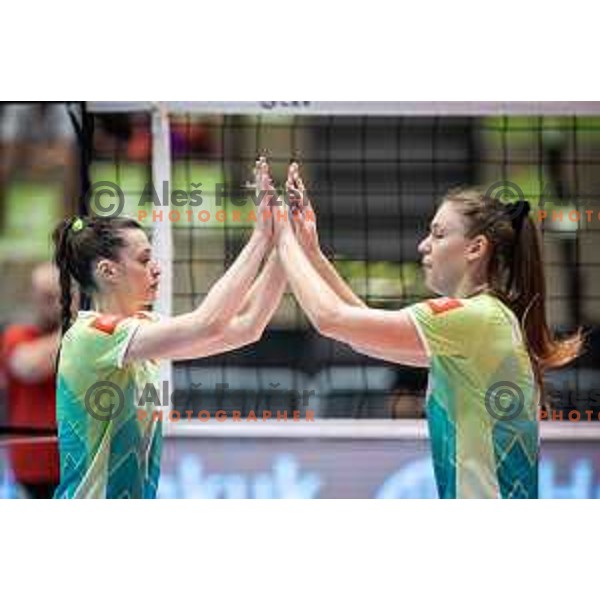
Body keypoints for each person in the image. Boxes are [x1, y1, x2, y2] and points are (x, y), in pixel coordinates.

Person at [276, 165, 582, 499]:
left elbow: (328, 319)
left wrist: (281, 236)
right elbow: (361, 332)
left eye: (438, 234)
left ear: (475, 248)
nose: (423, 245)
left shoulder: (473, 318)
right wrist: (311, 253)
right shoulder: (487, 320)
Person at [52, 159, 287, 499]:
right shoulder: (94, 334)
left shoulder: (140, 332)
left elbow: (246, 327)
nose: (156, 269)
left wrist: (285, 244)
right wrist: (260, 238)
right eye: (144, 260)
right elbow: (208, 321)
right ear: (108, 271)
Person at [1, 263, 62, 498]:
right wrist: (75, 324)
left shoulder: (83, 336)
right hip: (34, 467)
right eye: (47, 296)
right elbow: (29, 367)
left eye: (58, 295)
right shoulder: (16, 335)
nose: (54, 303)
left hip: (79, 462)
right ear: (33, 296)